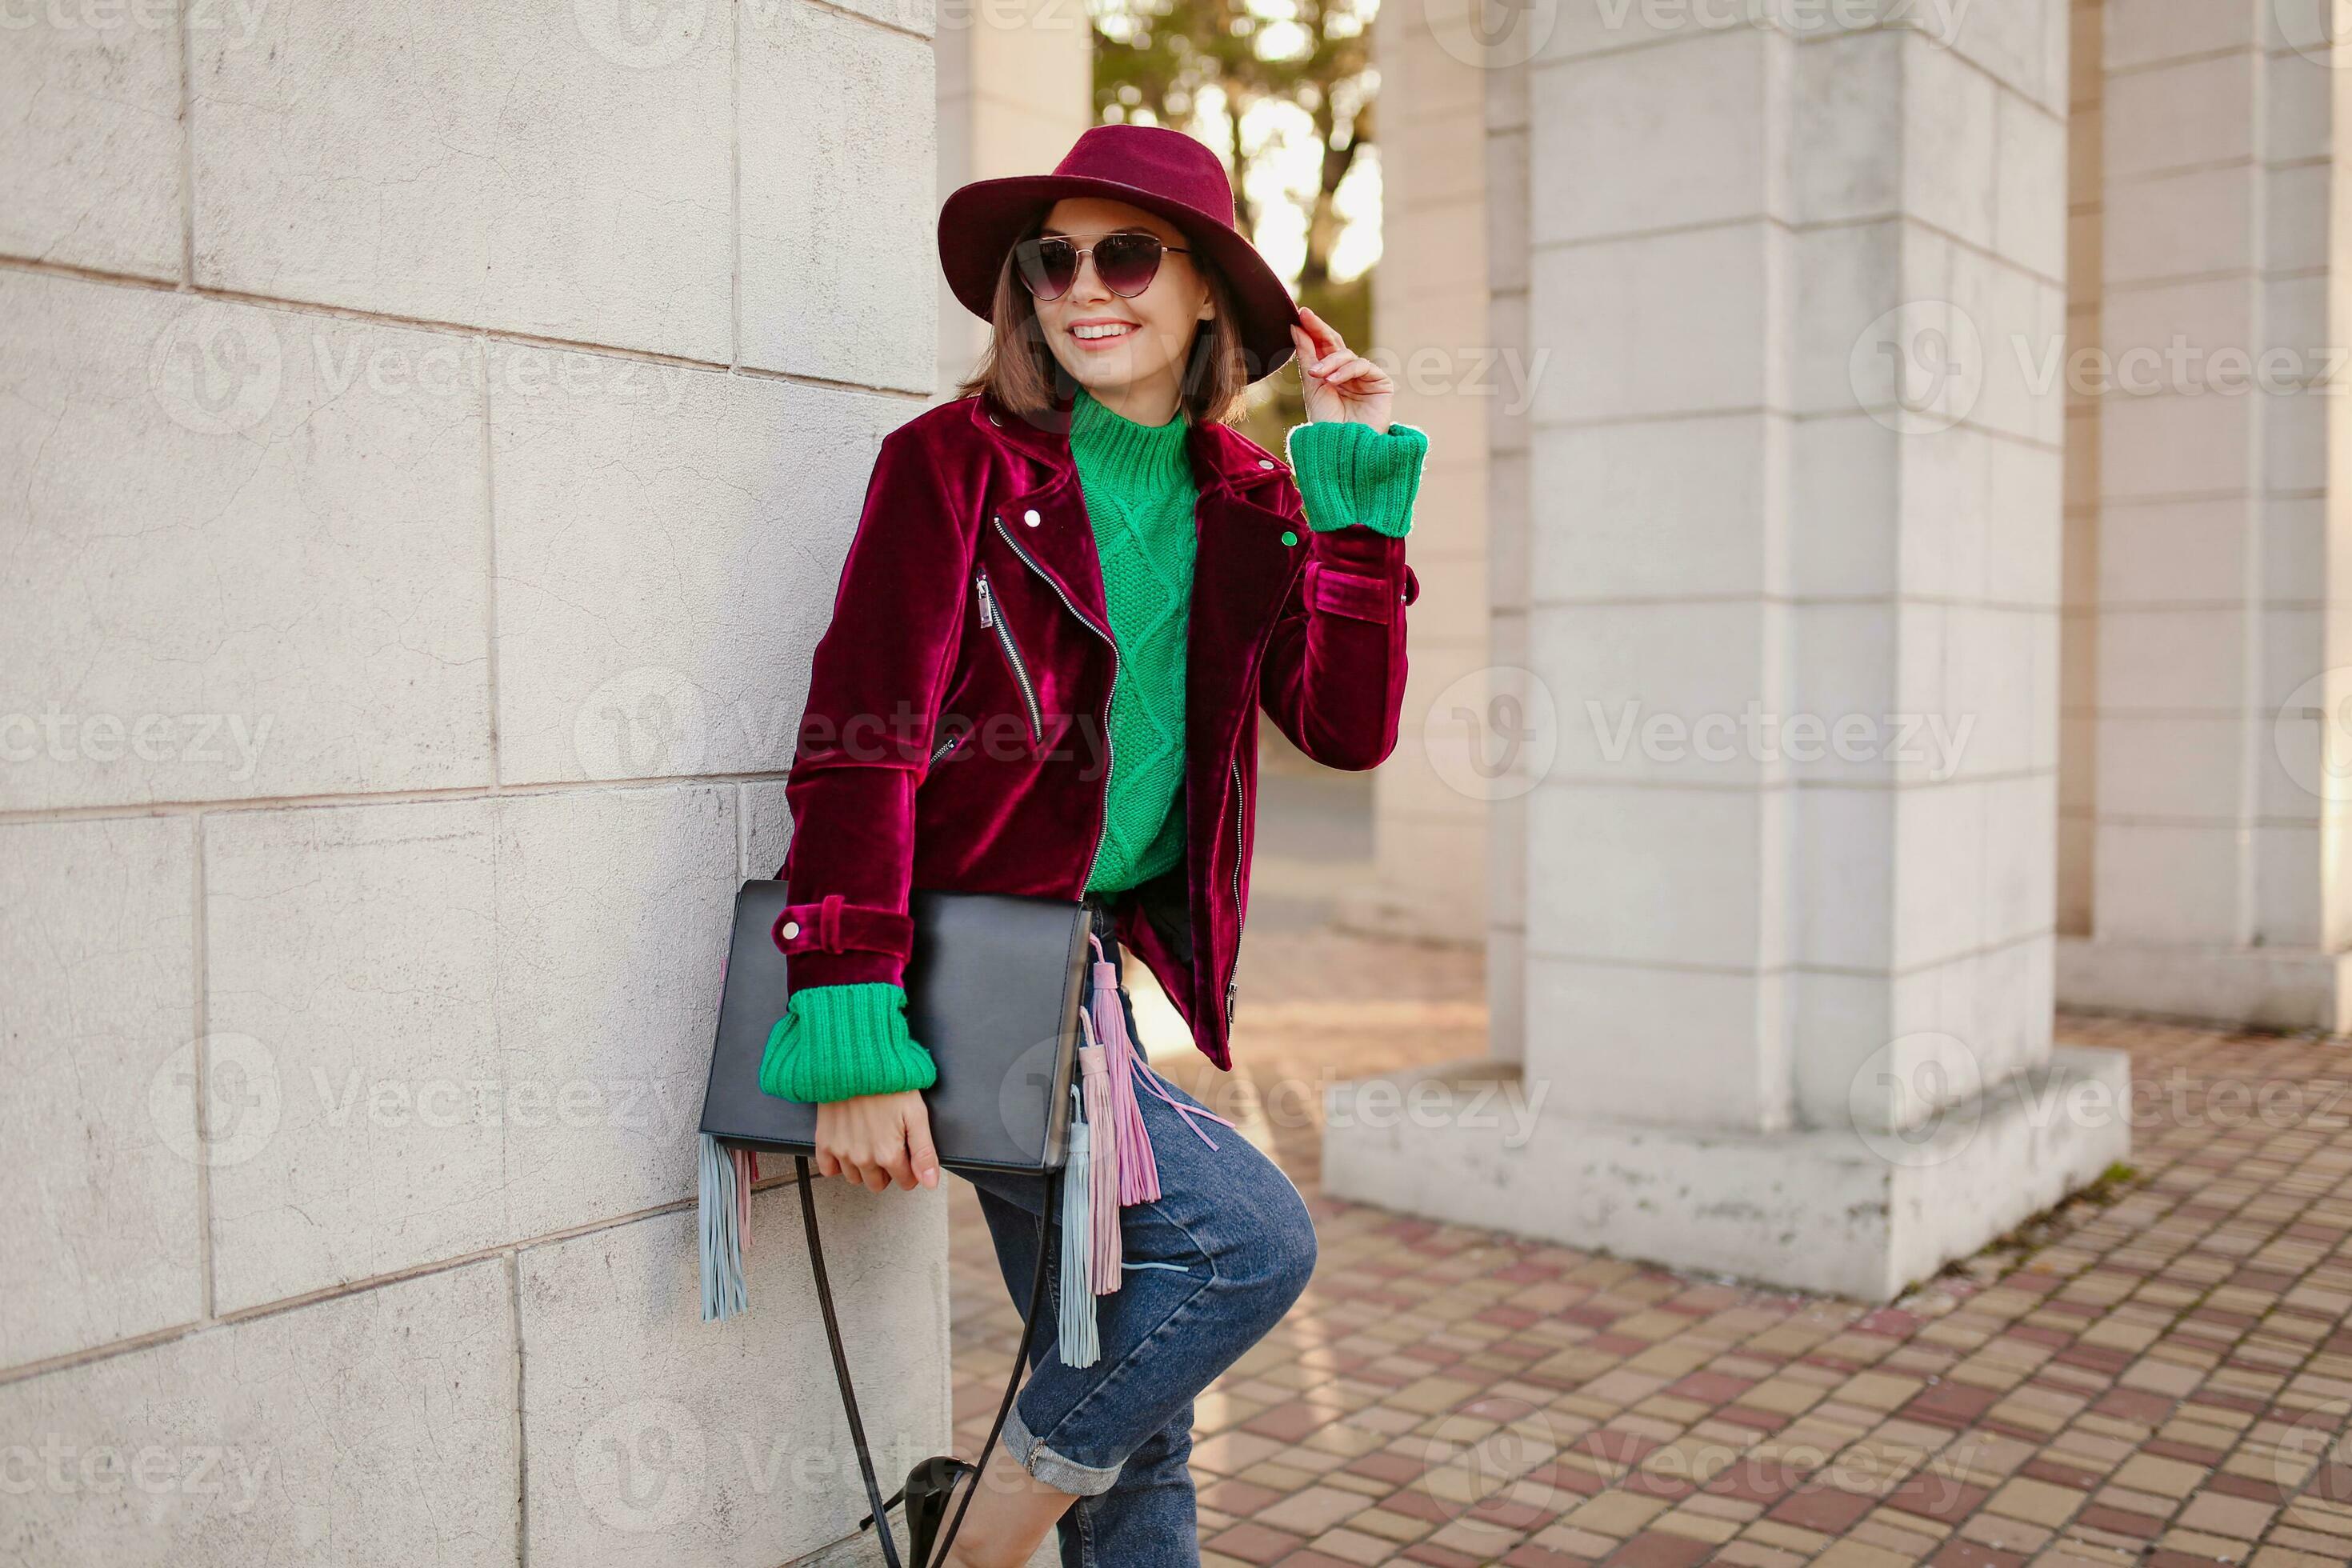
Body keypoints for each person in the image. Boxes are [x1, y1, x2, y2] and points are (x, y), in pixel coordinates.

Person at [760, 122, 1428, 1567]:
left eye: (1127, 253)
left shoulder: (1249, 503)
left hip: (1095, 978)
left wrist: (1358, 503)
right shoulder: (952, 466)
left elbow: (1345, 726)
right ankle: (976, 1547)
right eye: (1051, 259)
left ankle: (981, 1533)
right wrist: (850, 1017)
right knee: (1245, 1243)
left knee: (1138, 1404)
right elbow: (859, 738)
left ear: (1208, 299)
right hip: (975, 970)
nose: (1084, 285)